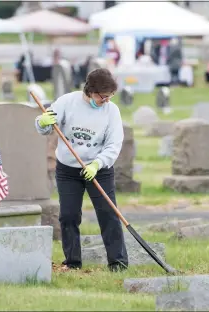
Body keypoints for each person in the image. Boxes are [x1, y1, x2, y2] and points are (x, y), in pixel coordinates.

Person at [34, 68, 128, 272]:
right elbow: (46, 125)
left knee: (108, 214)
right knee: (68, 216)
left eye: (109, 97)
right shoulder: (67, 102)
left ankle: (118, 262)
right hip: (68, 169)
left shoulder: (111, 111)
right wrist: (42, 123)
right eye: (102, 97)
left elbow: (114, 144)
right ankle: (72, 262)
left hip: (98, 169)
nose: (106, 101)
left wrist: (97, 163)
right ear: (90, 91)